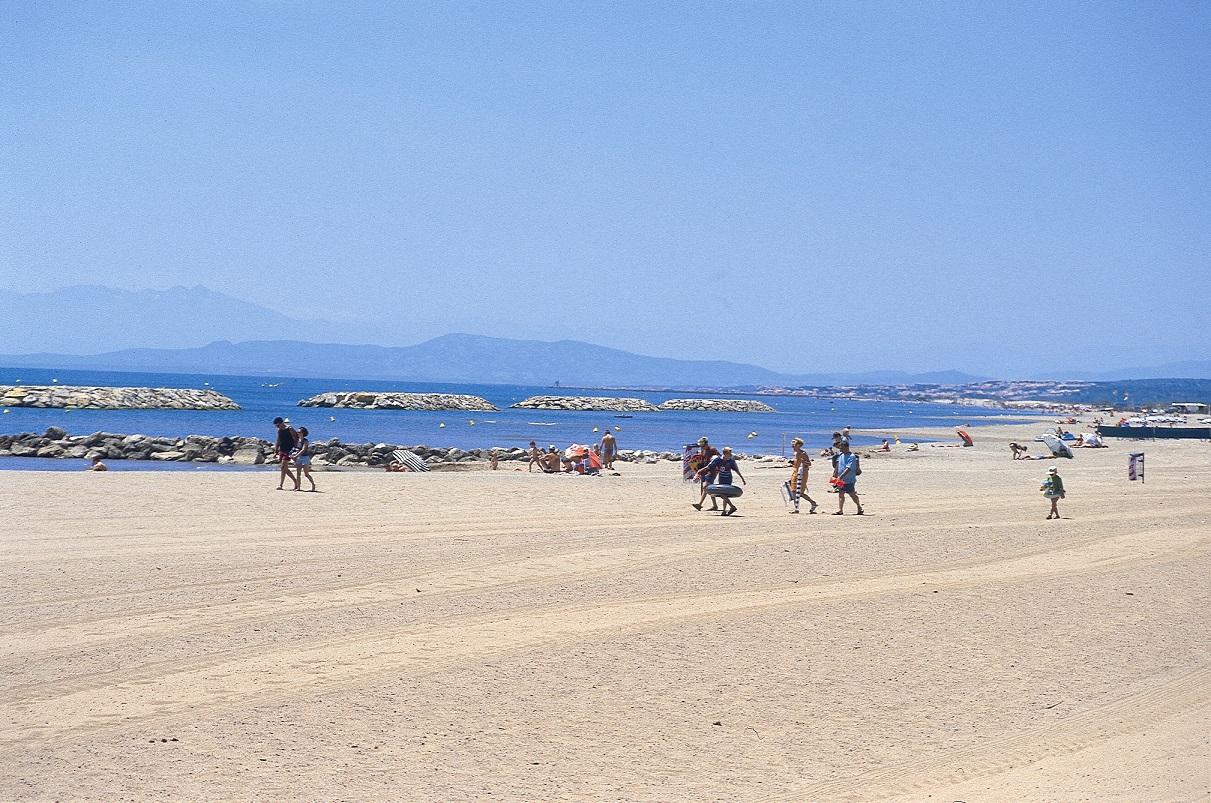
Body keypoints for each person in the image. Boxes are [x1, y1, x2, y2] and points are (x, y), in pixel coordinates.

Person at [697, 446, 746, 516]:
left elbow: (736, 470)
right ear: (725, 454)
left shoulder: (731, 461)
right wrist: (701, 470)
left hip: (728, 478)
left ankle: (725, 510)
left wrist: (742, 479)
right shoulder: (718, 460)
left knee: (724, 494)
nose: (731, 455)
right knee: (723, 494)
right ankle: (730, 508)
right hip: (721, 478)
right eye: (729, 453)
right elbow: (709, 466)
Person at [786, 437, 818, 514]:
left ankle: (813, 503)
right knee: (793, 491)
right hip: (795, 473)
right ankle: (796, 508)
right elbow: (797, 464)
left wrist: (803, 461)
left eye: (794, 446)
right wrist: (793, 462)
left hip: (802, 474)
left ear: (799, 445)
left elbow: (809, 464)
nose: (793, 447)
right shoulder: (796, 454)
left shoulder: (803, 453)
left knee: (800, 492)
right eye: (792, 446)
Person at [831, 441, 864, 515]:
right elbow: (837, 466)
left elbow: (848, 468)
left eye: (842, 448)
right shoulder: (841, 455)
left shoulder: (852, 457)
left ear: (846, 447)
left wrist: (840, 477)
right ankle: (840, 510)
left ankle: (859, 507)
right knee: (841, 494)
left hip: (849, 479)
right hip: (840, 479)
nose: (840, 449)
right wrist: (834, 476)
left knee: (852, 494)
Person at [690, 437, 721, 511]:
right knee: (709, 488)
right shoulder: (703, 450)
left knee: (706, 487)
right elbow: (702, 458)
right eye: (701, 446)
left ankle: (699, 505)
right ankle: (715, 506)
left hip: (713, 470)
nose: (701, 447)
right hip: (705, 470)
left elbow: (719, 458)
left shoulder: (712, 449)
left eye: (703, 445)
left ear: (706, 443)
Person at [273, 417, 297, 490]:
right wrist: (276, 451)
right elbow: (278, 440)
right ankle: (282, 485)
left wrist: (295, 449)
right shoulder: (279, 430)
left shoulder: (290, 429)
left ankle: (294, 482)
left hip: (289, 450)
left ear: (281, 423)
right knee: (284, 468)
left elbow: (296, 438)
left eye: (277, 425)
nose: (277, 427)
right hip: (282, 450)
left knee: (283, 467)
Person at [292, 426, 316, 492]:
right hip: (299, 458)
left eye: (299, 432)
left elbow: (303, 449)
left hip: (305, 457)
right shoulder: (297, 440)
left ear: (303, 433)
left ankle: (313, 485)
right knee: (298, 473)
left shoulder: (305, 441)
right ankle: (298, 487)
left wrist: (296, 456)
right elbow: (295, 448)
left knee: (306, 474)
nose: (297, 433)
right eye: (297, 432)